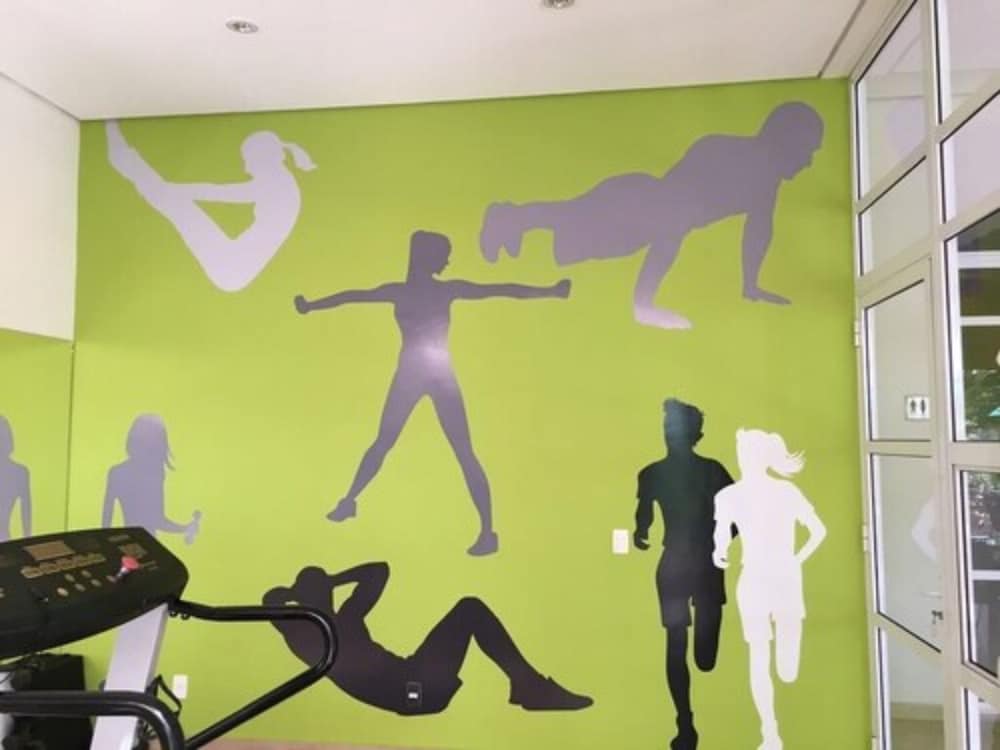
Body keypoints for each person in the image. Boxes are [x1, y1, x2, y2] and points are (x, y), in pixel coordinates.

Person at [294, 230, 570, 556]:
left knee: (445, 450)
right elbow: (352, 296)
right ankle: (349, 502)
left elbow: (501, 290)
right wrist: (312, 305)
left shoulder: (427, 290)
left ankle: (486, 532)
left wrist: (550, 291)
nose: (447, 261)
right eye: (443, 255)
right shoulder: (416, 291)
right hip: (417, 376)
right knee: (393, 444)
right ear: (427, 257)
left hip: (432, 377)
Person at [480, 102, 824, 330]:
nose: (808, 162)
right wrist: (643, 305)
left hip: (643, 210)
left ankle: (510, 219)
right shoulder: (739, 164)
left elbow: (759, 230)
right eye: (807, 151)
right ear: (786, 142)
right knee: (573, 217)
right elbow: (677, 224)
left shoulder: (762, 180)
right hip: (636, 201)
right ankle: (508, 218)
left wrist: (750, 283)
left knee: (572, 218)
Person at [264, 562, 593, 715]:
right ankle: (530, 687)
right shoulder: (301, 631)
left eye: (324, 587)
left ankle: (529, 686)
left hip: (414, 679)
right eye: (317, 587)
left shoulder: (346, 617)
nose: (324, 592)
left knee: (469, 609)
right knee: (470, 610)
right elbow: (270, 600)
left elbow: (380, 570)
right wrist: (300, 592)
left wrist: (333, 579)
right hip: (410, 690)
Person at [713, 429, 826, 750]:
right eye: (740, 451)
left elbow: (818, 531)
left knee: (787, 671)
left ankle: (774, 719)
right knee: (758, 656)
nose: (742, 457)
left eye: (746, 451)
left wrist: (796, 560)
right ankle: (770, 732)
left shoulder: (787, 491)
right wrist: (719, 551)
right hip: (753, 580)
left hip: (785, 579)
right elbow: (722, 533)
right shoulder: (728, 496)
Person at [106, 120, 316, 292]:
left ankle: (124, 159)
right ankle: (127, 162)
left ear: (262, 158)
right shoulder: (283, 182)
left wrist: (174, 189)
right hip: (234, 265)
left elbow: (220, 192)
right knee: (172, 200)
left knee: (174, 202)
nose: (246, 168)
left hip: (230, 266)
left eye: (248, 161)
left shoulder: (278, 184)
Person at [633, 399, 734, 750]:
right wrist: (640, 533)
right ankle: (685, 723)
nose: (669, 434)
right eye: (667, 428)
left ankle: (687, 718)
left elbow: (738, 516)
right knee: (676, 644)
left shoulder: (713, 472)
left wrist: (720, 541)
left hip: (701, 564)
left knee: (703, 659)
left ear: (694, 435)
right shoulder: (652, 474)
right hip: (678, 565)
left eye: (675, 428)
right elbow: (643, 516)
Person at [102, 415, 200, 544]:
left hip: (137, 545)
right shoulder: (151, 474)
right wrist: (185, 528)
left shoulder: (118, 472)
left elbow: (157, 520)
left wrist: (185, 528)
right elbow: (157, 520)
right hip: (142, 546)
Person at [0, 416, 31, 542]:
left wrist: (28, 539)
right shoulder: (20, 472)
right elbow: (26, 513)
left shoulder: (20, 473)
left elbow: (26, 513)